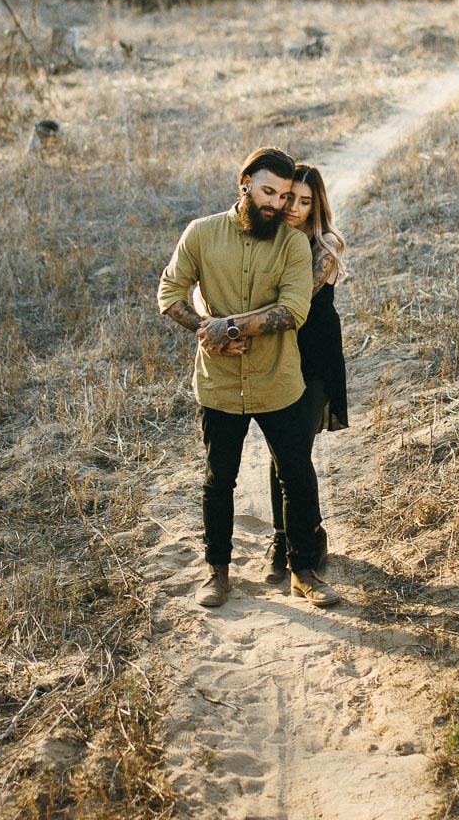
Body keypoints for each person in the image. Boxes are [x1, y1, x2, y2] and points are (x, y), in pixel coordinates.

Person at [157, 146, 341, 608]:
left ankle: (303, 572)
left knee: (295, 477)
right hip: (219, 383)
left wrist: (232, 327)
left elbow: (295, 310)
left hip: (278, 379)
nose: (277, 204)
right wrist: (207, 331)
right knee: (219, 480)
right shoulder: (201, 234)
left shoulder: (295, 245)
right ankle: (216, 573)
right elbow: (170, 291)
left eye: (283, 196)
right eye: (268, 191)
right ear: (244, 184)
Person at [266, 162, 349, 584]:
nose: (294, 207)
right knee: (278, 449)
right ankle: (281, 537)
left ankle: (310, 534)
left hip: (314, 356)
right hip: (275, 352)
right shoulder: (267, 236)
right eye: (288, 198)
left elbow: (292, 299)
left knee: (294, 450)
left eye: (304, 201)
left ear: (316, 205)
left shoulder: (327, 244)